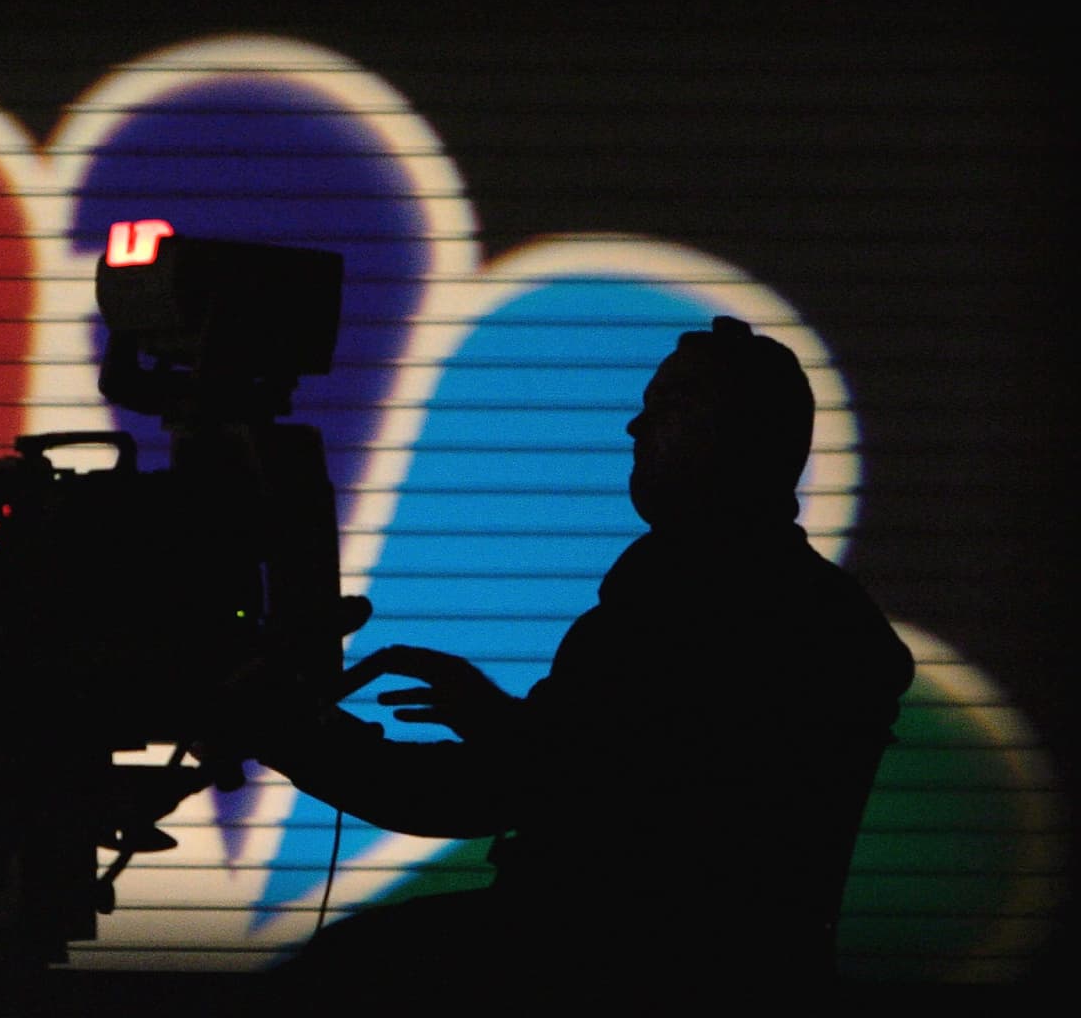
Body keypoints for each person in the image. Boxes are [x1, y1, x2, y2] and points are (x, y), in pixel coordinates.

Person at [249, 316, 916, 999]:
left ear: (735, 437)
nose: (635, 429)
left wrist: (292, 736)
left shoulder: (687, 603)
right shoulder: (808, 606)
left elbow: (497, 790)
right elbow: (614, 769)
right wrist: (498, 716)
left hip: (607, 963)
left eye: (667, 409)